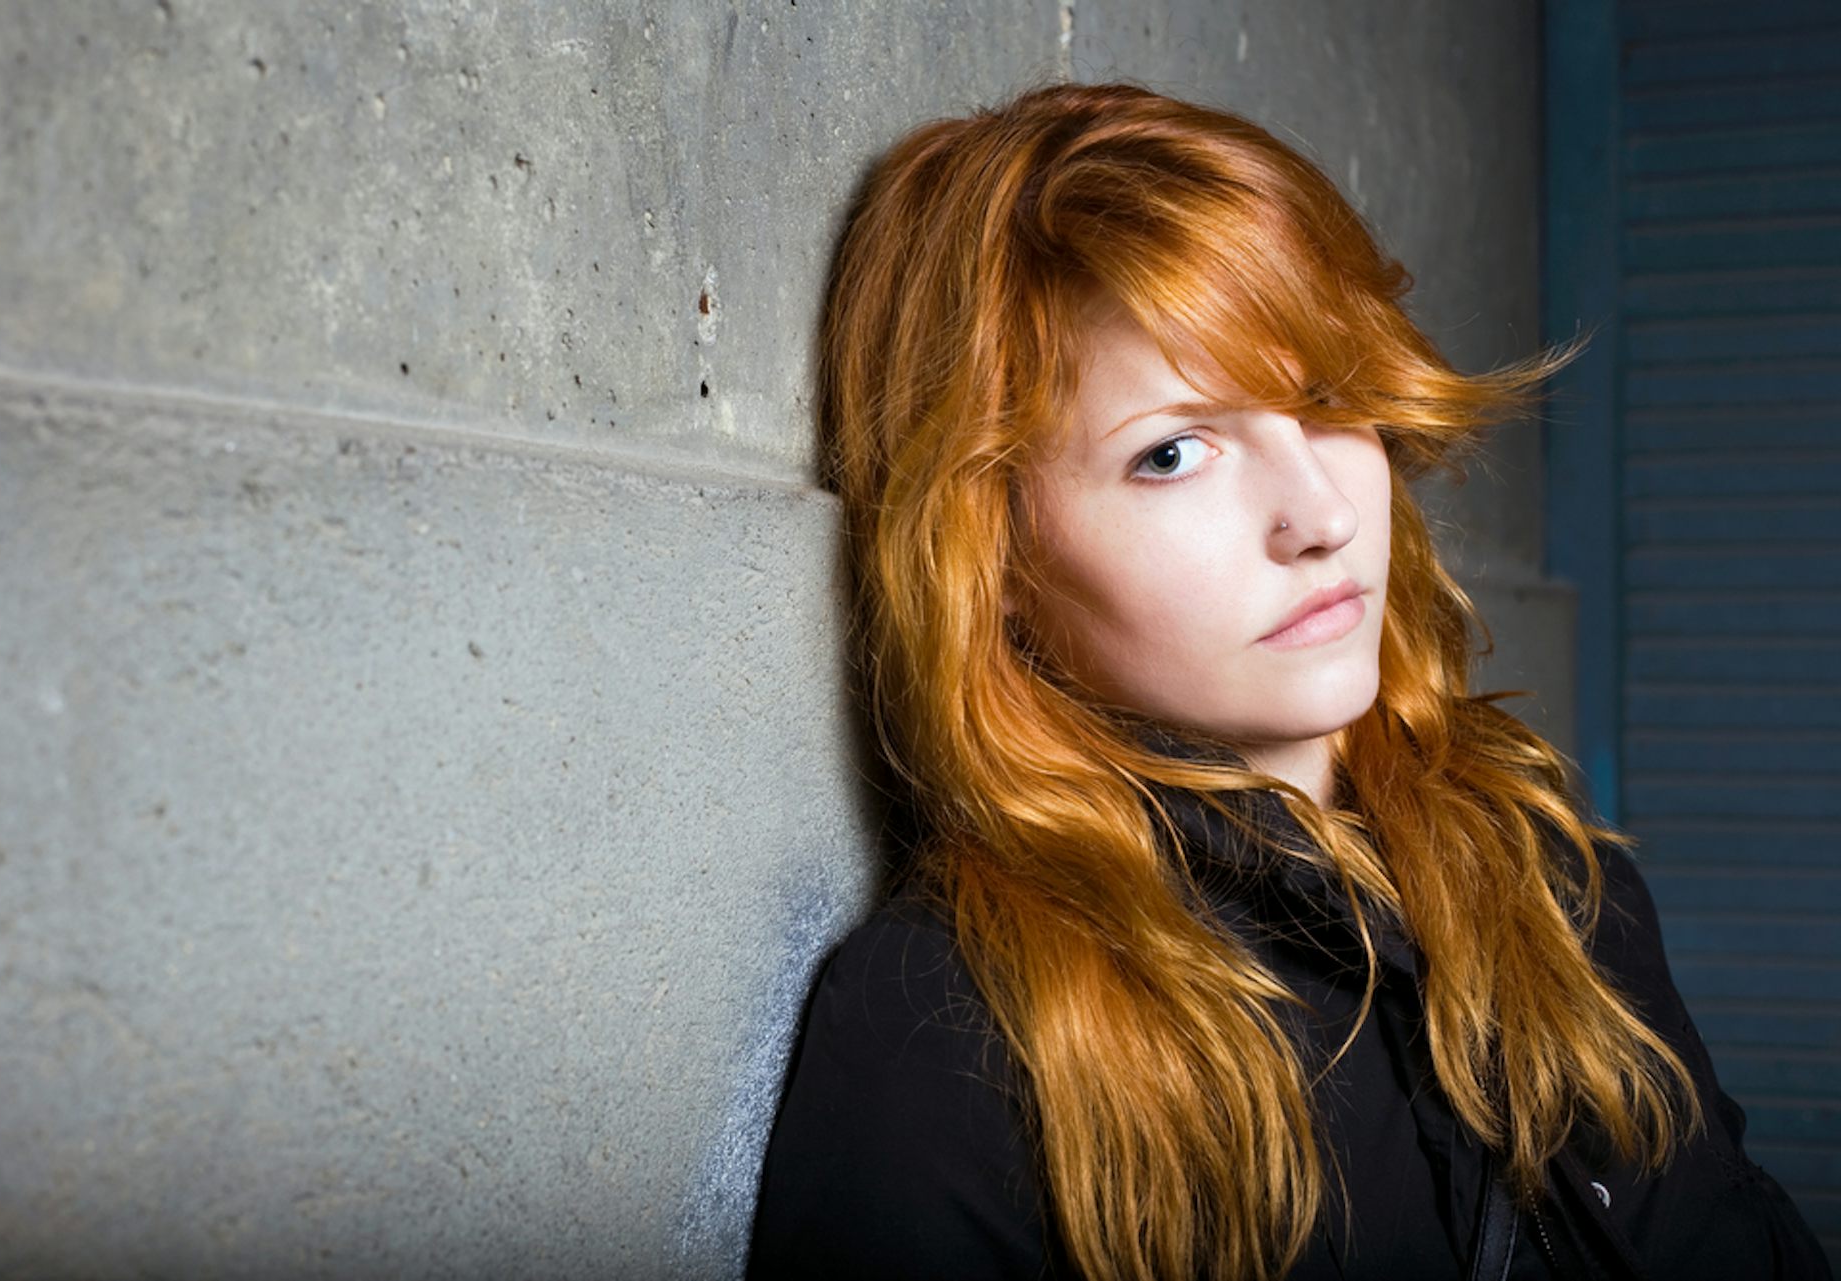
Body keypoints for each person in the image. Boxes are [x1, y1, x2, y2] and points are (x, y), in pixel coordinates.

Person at [747, 82, 1829, 1281]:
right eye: (1173, 452)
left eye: (1324, 399)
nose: (1320, 515)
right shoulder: (954, 1029)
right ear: (988, 555)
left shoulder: (1552, 878)